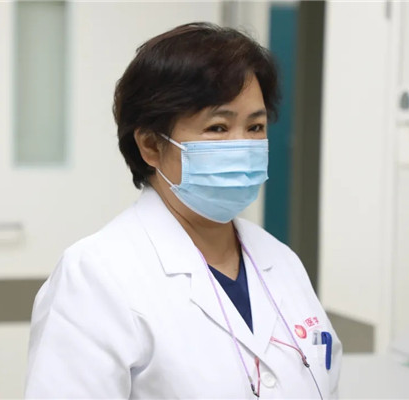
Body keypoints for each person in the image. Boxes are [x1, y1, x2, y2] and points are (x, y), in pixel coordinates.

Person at [25, 22, 342, 399]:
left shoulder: (281, 261)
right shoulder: (96, 276)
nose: (242, 146)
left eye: (255, 127)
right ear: (151, 145)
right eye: (218, 128)